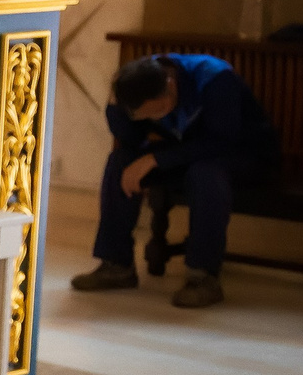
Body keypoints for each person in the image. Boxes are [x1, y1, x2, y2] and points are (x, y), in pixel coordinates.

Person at [75, 51, 280, 308]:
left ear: (170, 85)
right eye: (149, 116)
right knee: (121, 163)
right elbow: (131, 140)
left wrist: (155, 160)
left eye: (160, 110)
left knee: (205, 173)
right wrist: (114, 107)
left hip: (240, 156)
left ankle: (203, 277)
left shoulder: (214, 78)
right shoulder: (136, 85)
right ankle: (116, 265)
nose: (158, 118)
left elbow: (221, 141)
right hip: (188, 156)